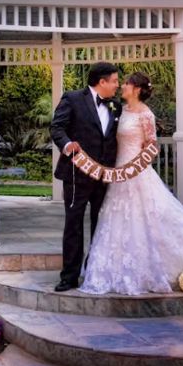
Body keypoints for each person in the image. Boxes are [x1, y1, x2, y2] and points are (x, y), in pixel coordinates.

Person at [79, 71, 183, 295]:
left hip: (137, 172)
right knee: (116, 219)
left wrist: (134, 167)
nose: (122, 87)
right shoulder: (121, 110)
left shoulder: (146, 114)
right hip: (118, 172)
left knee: (144, 218)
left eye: (126, 84)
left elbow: (152, 146)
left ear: (137, 89)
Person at [50, 62, 121, 292]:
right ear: (102, 82)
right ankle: (69, 277)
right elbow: (57, 128)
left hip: (103, 176)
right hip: (77, 174)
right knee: (74, 225)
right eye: (114, 81)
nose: (117, 86)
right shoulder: (72, 98)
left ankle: (94, 271)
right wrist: (67, 144)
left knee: (101, 226)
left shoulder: (116, 107)